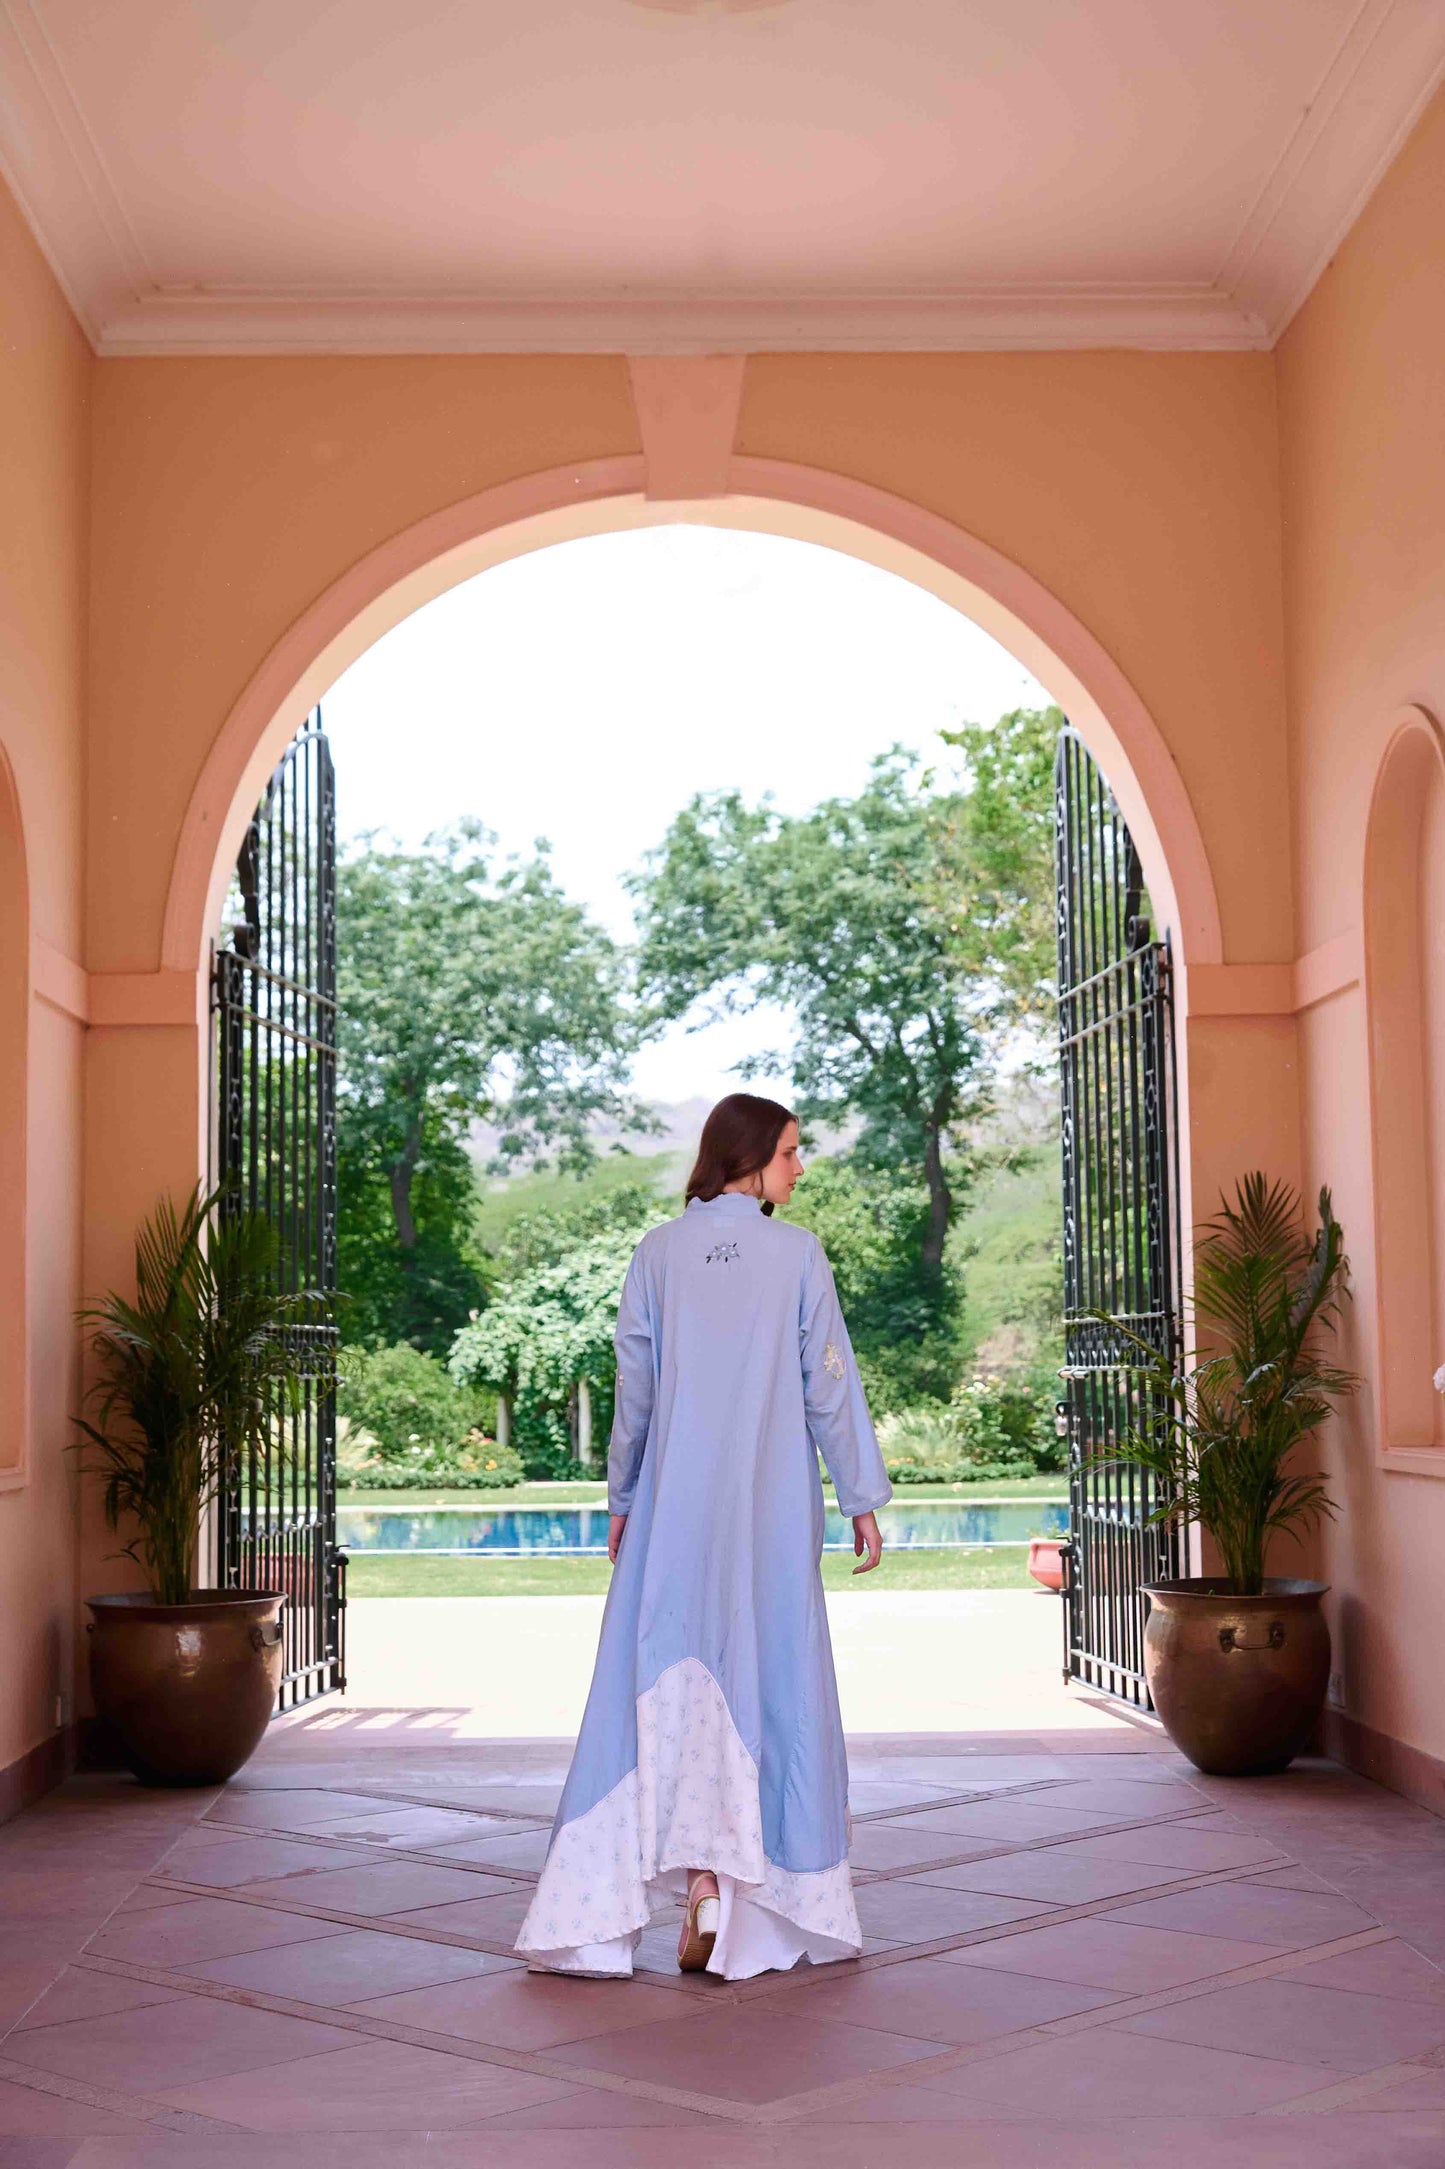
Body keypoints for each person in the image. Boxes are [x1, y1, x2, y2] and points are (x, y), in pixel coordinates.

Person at [514, 1091, 892, 1982]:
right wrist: (860, 1494)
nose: (801, 1168)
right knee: (770, 1683)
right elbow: (828, 1384)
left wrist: (622, 1495)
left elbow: (633, 1394)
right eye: (792, 1153)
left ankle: (643, 1904)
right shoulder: (797, 1256)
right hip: (765, 1520)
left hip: (671, 1518)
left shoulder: (657, 1254)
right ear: (750, 1155)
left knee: (651, 1692)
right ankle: (745, 1907)